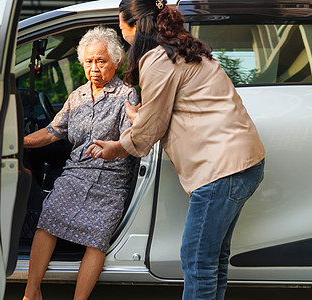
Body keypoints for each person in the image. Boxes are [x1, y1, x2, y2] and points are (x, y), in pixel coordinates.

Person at [86, 1, 266, 299]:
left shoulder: (158, 60)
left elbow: (151, 129)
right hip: (243, 163)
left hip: (221, 169)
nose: (122, 36)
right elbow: (176, 109)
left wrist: (117, 148)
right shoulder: (182, 50)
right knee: (211, 259)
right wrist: (140, 118)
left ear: (138, 26)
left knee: (196, 259)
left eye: (122, 29)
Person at [22, 26, 139, 300]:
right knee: (49, 216)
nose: (94, 68)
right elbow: (53, 131)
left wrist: (113, 150)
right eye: (88, 62)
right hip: (76, 174)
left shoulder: (127, 95)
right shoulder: (77, 96)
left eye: (101, 61)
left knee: (98, 236)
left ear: (116, 62)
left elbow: (130, 141)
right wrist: (20, 142)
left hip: (112, 177)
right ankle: (31, 292)